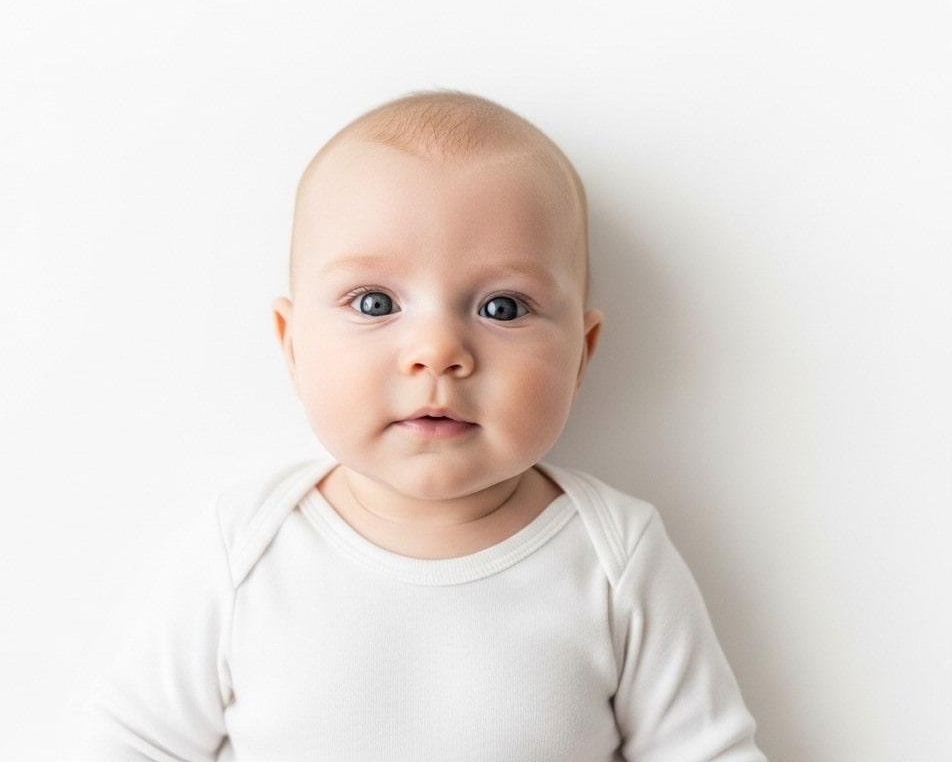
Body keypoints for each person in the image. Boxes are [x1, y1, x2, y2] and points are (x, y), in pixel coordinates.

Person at [74, 91, 766, 761]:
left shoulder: (614, 558)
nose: (437, 350)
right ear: (292, 343)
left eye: (502, 308)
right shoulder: (247, 548)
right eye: (375, 302)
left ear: (580, 355)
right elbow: (138, 742)